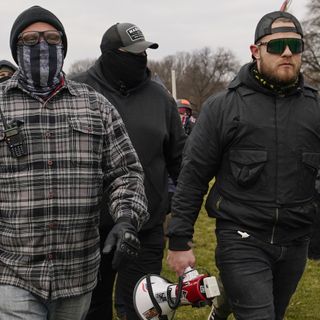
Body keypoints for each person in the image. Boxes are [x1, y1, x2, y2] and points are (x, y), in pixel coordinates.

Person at [167, 10, 320, 320]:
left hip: (296, 242)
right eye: (277, 46)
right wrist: (179, 240)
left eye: (295, 45)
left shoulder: (315, 107)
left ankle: (224, 304)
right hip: (242, 239)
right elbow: (193, 176)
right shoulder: (223, 107)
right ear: (255, 51)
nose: (288, 52)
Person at [0, 6, 149, 320]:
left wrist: (125, 217)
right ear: (16, 49)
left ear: (63, 47)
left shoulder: (95, 105)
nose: (42, 45)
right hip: (14, 273)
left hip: (78, 274)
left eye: (52, 38)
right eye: (30, 40)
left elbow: (126, 171)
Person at [72, 23, 186, 320]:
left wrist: (171, 205)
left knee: (143, 308)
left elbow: (179, 161)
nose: (141, 59)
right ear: (110, 55)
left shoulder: (161, 99)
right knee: (90, 310)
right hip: (88, 230)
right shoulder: (78, 92)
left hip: (145, 227)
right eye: (132, 54)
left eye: (144, 52)